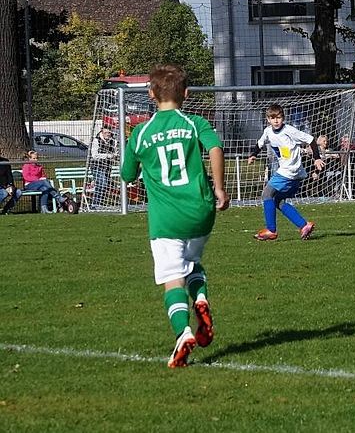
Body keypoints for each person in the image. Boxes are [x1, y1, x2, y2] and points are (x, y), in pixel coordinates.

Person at [119, 64, 230, 368]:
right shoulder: (195, 123)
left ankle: (183, 333)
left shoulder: (141, 133)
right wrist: (219, 188)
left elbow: (127, 175)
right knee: (192, 263)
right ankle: (201, 300)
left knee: (172, 279)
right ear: (186, 93)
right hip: (201, 211)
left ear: (151, 93)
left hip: (167, 218)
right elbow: (216, 148)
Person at [248, 104, 325, 240]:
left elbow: (311, 140)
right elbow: (260, 143)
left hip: (290, 170)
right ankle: (304, 225)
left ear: (283, 118)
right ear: (268, 119)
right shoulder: (268, 131)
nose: (276, 121)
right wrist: (253, 154)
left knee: (266, 194)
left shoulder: (289, 130)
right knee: (277, 200)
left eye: (278, 117)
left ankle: (271, 230)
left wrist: (317, 158)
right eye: (273, 118)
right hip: (294, 173)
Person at [21, 149, 76, 214]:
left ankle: (44, 209)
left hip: (39, 184)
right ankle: (58, 197)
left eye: (36, 158)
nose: (35, 160)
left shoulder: (39, 167)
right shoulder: (26, 166)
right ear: (29, 159)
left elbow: (43, 176)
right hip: (29, 185)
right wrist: (38, 179)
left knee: (45, 189)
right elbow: (26, 177)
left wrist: (42, 179)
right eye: (33, 158)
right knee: (44, 182)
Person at [89, 127, 118, 208]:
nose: (107, 134)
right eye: (105, 133)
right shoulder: (96, 140)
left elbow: (115, 153)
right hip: (97, 166)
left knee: (103, 185)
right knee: (102, 183)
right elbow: (94, 155)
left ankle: (98, 203)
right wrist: (107, 156)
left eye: (109, 133)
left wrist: (115, 156)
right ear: (102, 132)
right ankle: (95, 203)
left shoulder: (114, 141)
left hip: (107, 167)